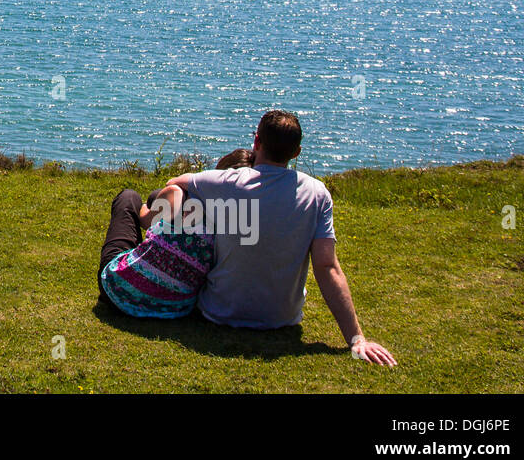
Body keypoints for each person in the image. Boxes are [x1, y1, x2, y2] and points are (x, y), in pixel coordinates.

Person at [165, 110, 396, 366]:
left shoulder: (225, 181)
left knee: (195, 203)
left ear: (256, 142)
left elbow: (176, 182)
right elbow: (327, 266)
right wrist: (356, 339)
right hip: (282, 318)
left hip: (219, 311)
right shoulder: (317, 194)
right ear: (296, 152)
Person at [97, 148, 252, 318]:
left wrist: (156, 208)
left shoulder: (178, 194)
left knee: (128, 197)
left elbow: (144, 220)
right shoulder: (235, 223)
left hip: (118, 292)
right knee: (157, 202)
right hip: (175, 308)